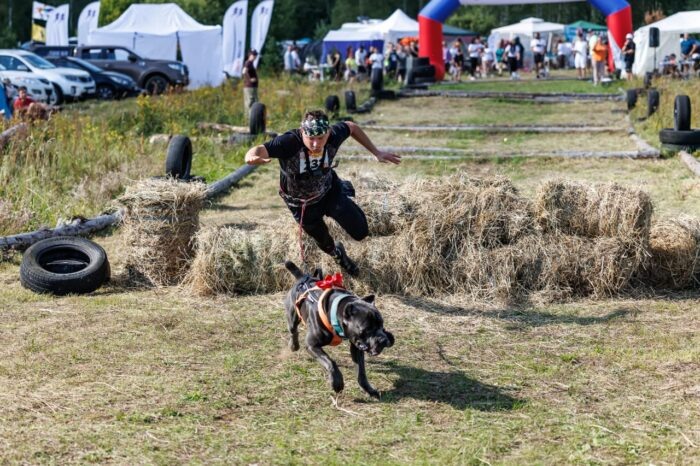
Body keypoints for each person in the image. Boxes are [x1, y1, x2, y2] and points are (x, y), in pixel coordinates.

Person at [244, 110, 401, 276]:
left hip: (329, 191)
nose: (315, 144)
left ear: (328, 133)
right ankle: (339, 256)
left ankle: (345, 199)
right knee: (324, 241)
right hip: (301, 204)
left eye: (320, 138)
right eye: (310, 138)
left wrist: (376, 152)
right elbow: (258, 149)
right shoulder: (289, 142)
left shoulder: (334, 135)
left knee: (361, 232)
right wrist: (250, 157)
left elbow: (351, 127)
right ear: (302, 132)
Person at [242, 49, 259, 116]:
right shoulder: (248, 63)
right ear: (249, 55)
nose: (255, 56)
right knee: (250, 102)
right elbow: (244, 71)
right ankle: (248, 118)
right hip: (249, 87)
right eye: (253, 55)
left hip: (252, 86)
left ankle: (251, 117)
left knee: (253, 102)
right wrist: (250, 79)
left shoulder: (251, 63)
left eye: (255, 55)